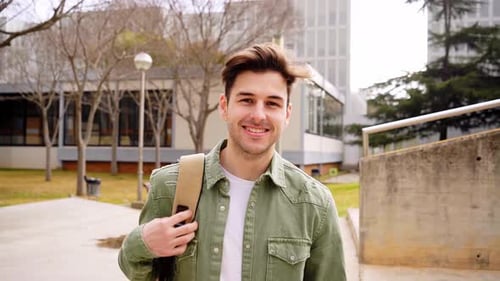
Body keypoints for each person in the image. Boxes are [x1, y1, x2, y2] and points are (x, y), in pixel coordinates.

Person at [118, 42, 346, 281]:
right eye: (247, 100)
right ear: (225, 107)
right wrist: (142, 243)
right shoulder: (169, 187)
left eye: (272, 103)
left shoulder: (314, 204)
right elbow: (137, 272)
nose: (258, 115)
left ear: (286, 114)